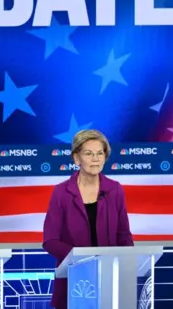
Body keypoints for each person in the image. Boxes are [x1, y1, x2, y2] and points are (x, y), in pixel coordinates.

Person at [43, 129, 134, 309]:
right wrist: (82, 260)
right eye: (89, 153)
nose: (95, 159)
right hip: (73, 279)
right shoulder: (62, 192)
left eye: (100, 153)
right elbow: (50, 240)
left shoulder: (114, 190)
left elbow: (123, 235)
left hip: (108, 278)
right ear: (77, 158)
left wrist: (126, 264)